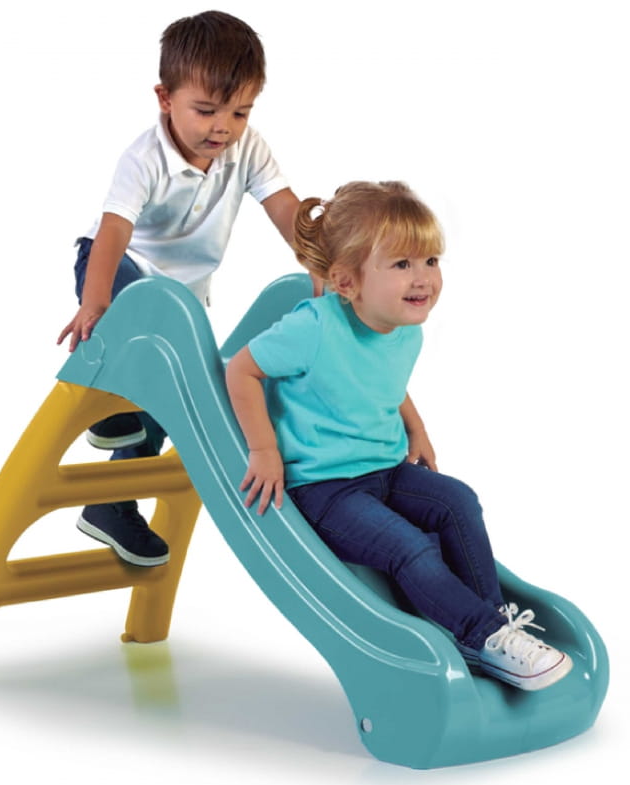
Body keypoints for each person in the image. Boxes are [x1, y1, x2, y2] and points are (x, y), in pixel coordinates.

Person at [225, 181, 573, 691]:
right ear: (347, 282)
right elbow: (241, 369)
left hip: (385, 470)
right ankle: (482, 634)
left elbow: (383, 382)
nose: (423, 277)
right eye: (402, 264)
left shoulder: (405, 327)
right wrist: (263, 450)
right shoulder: (312, 328)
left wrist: (416, 426)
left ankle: (492, 625)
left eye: (430, 260)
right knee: (409, 548)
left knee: (458, 501)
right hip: (324, 489)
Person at [55, 11, 301, 567]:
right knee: (136, 308)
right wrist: (95, 302)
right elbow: (114, 230)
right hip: (116, 269)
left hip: (182, 301)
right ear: (165, 98)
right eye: (206, 110)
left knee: (173, 403)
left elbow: (285, 209)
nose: (224, 127)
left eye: (240, 112)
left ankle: (111, 503)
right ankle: (111, 400)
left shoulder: (247, 149)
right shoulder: (143, 159)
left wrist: (323, 258)